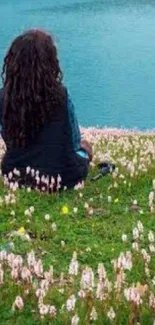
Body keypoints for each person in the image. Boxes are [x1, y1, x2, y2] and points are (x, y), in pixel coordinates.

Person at [0, 29, 92, 191]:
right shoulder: (61, 95)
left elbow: (7, 137)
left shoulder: (4, 97)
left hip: (15, 174)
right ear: (50, 62)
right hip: (63, 176)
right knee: (85, 147)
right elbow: (74, 142)